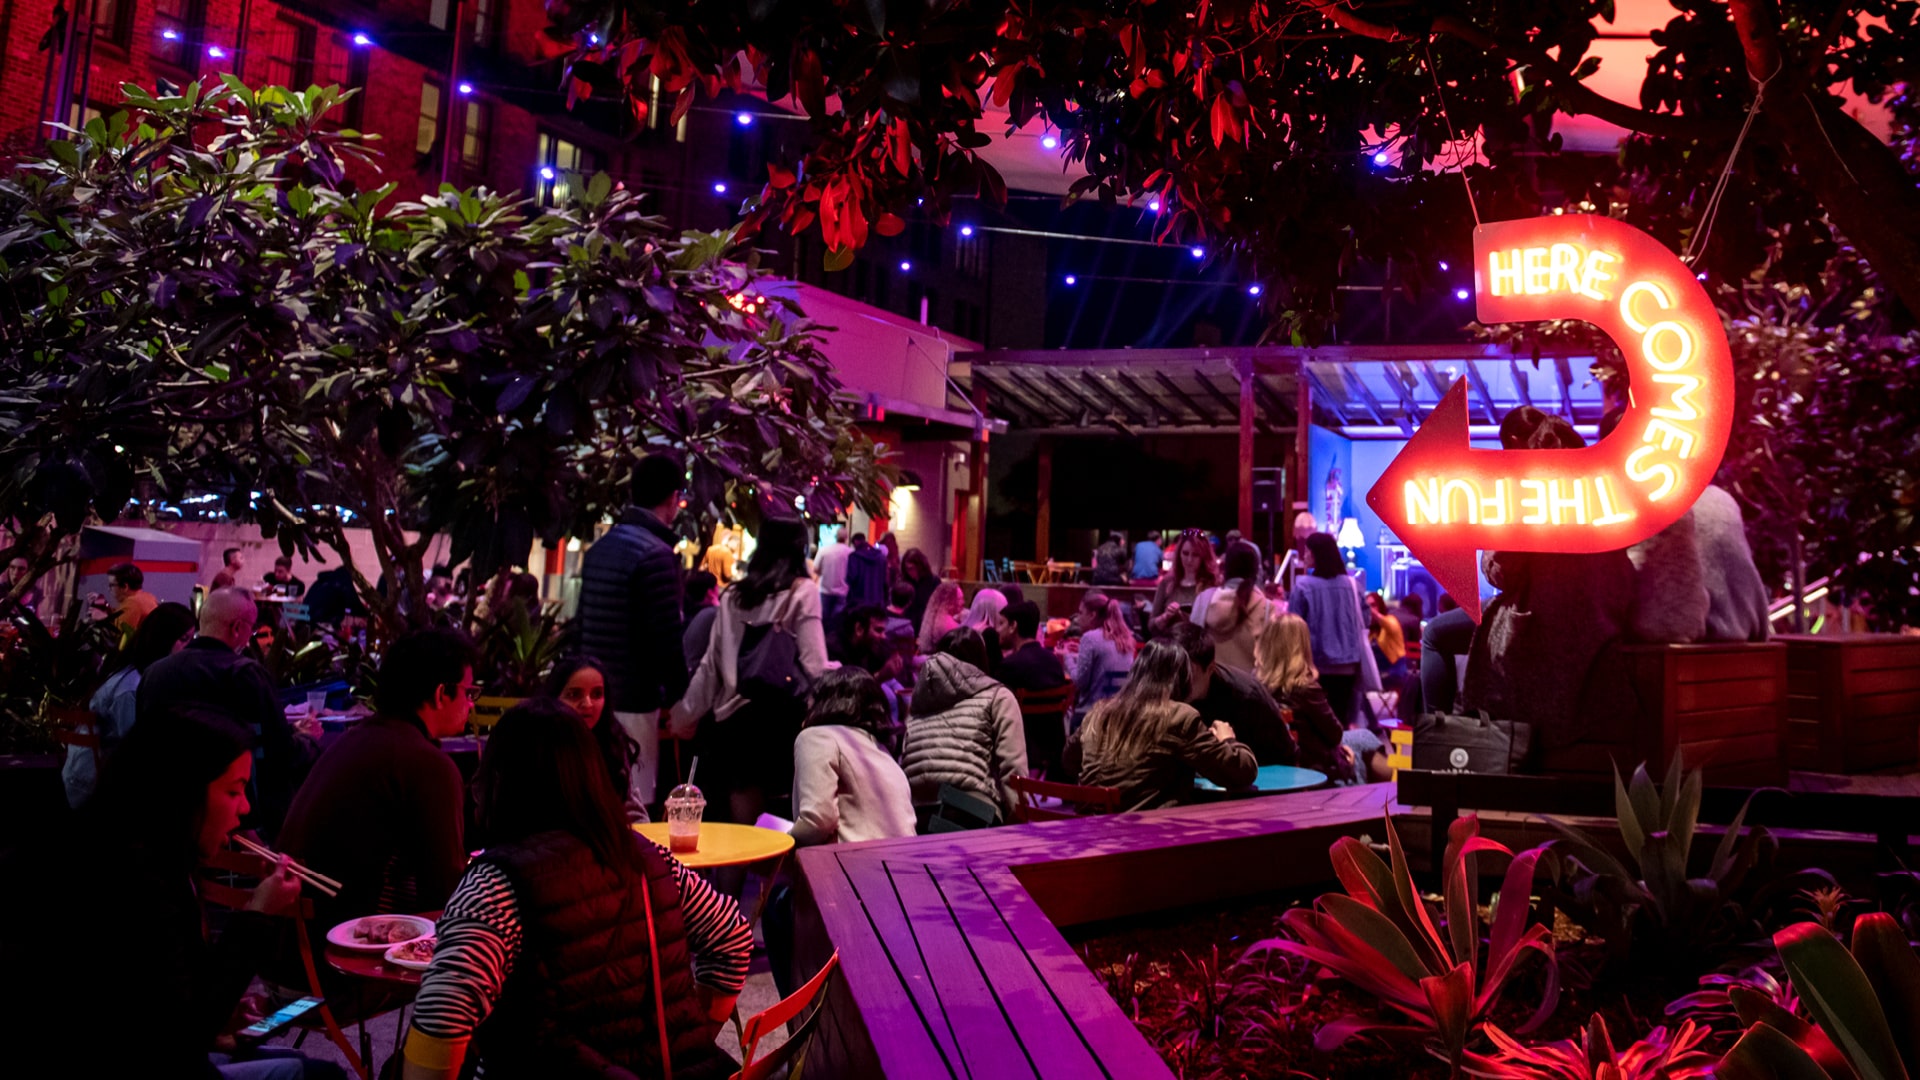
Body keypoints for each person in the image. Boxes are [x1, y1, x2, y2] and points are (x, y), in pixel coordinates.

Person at [399, 701, 752, 1080]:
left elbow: (443, 1020)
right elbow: (734, 937)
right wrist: (694, 1037)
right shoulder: (647, 857)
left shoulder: (493, 886)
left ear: (496, 780)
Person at [0, 712, 343, 1080]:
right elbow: (182, 1031)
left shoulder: (123, 846)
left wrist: (220, 1011)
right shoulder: (128, 880)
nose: (244, 807)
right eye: (232, 790)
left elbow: (165, 1001)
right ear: (182, 794)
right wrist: (258, 913)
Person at [1460, 407, 1636, 755]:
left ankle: (1447, 739)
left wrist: (1487, 548)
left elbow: (1503, 573)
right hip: (1602, 632)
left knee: (1439, 635)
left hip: (1540, 636)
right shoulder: (1607, 495)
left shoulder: (1530, 496)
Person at [278, 628, 472, 932]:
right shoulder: (428, 764)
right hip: (346, 954)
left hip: (289, 944)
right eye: (468, 692)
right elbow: (444, 889)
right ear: (440, 693)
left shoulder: (353, 740)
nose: (471, 705)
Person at [671, 516, 829, 830]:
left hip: (731, 724)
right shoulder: (803, 591)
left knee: (737, 829)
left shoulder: (732, 596)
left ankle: (725, 880)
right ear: (799, 549)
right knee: (776, 828)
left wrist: (684, 715)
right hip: (778, 723)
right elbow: (814, 666)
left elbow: (711, 665)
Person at [139, 587, 318, 837]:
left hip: (161, 808)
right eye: (252, 629)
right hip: (239, 822)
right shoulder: (245, 675)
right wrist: (309, 740)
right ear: (237, 628)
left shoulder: (154, 673)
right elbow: (280, 754)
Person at [577, 453, 689, 810]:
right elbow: (666, 640)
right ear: (673, 499)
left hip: (593, 696)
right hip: (636, 699)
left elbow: (580, 624)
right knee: (635, 803)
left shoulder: (601, 549)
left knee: (596, 796)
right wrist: (678, 697)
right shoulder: (655, 555)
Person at [1066, 640, 1257, 810]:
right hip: (1147, 836)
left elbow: (1069, 761)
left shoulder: (1098, 713)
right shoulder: (1178, 717)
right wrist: (1228, 740)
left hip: (1090, 829)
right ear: (1183, 678)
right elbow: (1241, 773)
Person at [63, 600, 196, 808]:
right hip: (92, 787)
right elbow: (136, 748)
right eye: (184, 639)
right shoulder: (131, 687)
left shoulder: (136, 674)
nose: (190, 648)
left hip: (100, 777)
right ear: (163, 639)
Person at [902, 627, 1028, 820]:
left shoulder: (920, 699)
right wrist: (1019, 823)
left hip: (915, 812)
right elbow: (1013, 769)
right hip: (970, 808)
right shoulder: (998, 696)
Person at [790, 667, 917, 846]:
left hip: (852, 868)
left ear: (822, 701)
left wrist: (781, 843)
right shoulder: (881, 750)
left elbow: (817, 821)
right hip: (905, 866)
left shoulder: (816, 736)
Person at [1165, 621, 1296, 767]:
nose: (1178, 683)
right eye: (1174, 673)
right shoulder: (1160, 685)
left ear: (1210, 669)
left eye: (1188, 676)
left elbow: (1282, 755)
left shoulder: (1246, 696)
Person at [545, 656, 647, 822]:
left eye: (597, 694)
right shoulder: (538, 747)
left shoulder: (611, 744)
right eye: (574, 694)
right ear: (554, 698)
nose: (588, 704)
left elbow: (631, 810)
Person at [1287, 533, 1370, 727]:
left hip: (1314, 665)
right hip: (1349, 664)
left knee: (1314, 722)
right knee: (1341, 719)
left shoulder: (1303, 585)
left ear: (1316, 554)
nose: (1304, 555)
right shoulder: (1352, 585)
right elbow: (1365, 620)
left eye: (1307, 551)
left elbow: (1292, 626)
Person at [1252, 613, 1349, 776]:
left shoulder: (1255, 686)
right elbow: (1335, 734)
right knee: (1365, 740)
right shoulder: (1306, 688)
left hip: (1270, 767)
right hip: (1311, 768)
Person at [993, 599, 1070, 775]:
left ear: (1014, 626)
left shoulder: (1009, 666)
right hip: (1054, 749)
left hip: (1021, 748)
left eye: (1002, 623)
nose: (998, 630)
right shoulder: (1053, 662)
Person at [1204, 541, 1273, 674]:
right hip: (1250, 689)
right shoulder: (1266, 608)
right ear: (1256, 570)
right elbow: (1270, 659)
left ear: (1225, 568)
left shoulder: (1203, 600)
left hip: (1210, 688)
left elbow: (1192, 652)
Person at [1071, 592, 1137, 727]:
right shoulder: (1126, 638)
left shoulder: (1089, 638)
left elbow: (1080, 683)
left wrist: (1066, 659)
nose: (1077, 618)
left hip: (1092, 715)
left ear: (1092, 615)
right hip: (1120, 716)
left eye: (1080, 612)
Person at [1151, 530, 1220, 636]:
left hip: (1202, 647)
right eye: (1185, 553)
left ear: (1204, 557)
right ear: (1179, 554)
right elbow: (1152, 626)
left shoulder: (1213, 583)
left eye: (1195, 555)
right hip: (1172, 646)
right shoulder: (1167, 582)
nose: (1189, 559)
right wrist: (1165, 617)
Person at [681, 569, 721, 672]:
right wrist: (718, 606)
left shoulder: (686, 612)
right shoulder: (711, 615)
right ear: (710, 592)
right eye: (717, 588)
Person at [814, 526, 852, 630]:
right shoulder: (850, 553)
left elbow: (816, 569)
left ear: (835, 537)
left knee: (824, 620)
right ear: (846, 537)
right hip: (843, 591)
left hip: (825, 590)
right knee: (837, 621)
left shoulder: (824, 550)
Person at [107, 561, 160, 633]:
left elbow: (117, 637)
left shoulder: (132, 604)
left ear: (125, 587)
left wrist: (102, 620)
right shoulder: (149, 597)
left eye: (111, 585)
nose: (109, 589)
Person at [917, 580, 965, 656]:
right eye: (960, 599)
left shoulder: (934, 617)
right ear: (949, 600)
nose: (963, 602)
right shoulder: (950, 625)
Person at [844, 533, 890, 609]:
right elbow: (885, 581)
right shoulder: (881, 558)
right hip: (877, 601)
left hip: (859, 602)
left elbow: (851, 578)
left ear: (855, 542)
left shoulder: (854, 557)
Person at [899, 547, 938, 630]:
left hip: (926, 626)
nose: (909, 572)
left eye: (912, 568)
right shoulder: (903, 582)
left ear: (920, 566)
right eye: (907, 569)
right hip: (907, 625)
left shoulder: (933, 581)